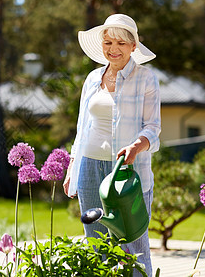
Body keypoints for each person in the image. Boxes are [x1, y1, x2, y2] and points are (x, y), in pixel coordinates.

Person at [63, 14, 161, 276]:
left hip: (127, 172)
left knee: (133, 244)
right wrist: (73, 166)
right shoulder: (93, 78)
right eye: (107, 42)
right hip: (90, 167)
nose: (112, 49)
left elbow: (153, 127)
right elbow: (82, 127)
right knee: (96, 243)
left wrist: (136, 147)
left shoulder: (146, 78)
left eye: (120, 42)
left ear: (133, 46)